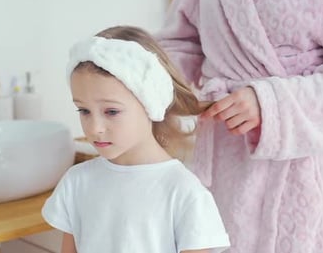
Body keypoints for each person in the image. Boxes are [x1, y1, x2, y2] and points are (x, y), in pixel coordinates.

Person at [156, 0, 323, 252]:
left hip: (307, 160)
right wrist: (146, 86)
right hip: (226, 159)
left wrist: (271, 103)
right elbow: (180, 42)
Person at [42, 25, 230, 253]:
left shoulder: (184, 193)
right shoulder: (77, 182)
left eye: (111, 112)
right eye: (84, 111)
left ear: (151, 102)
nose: (95, 128)